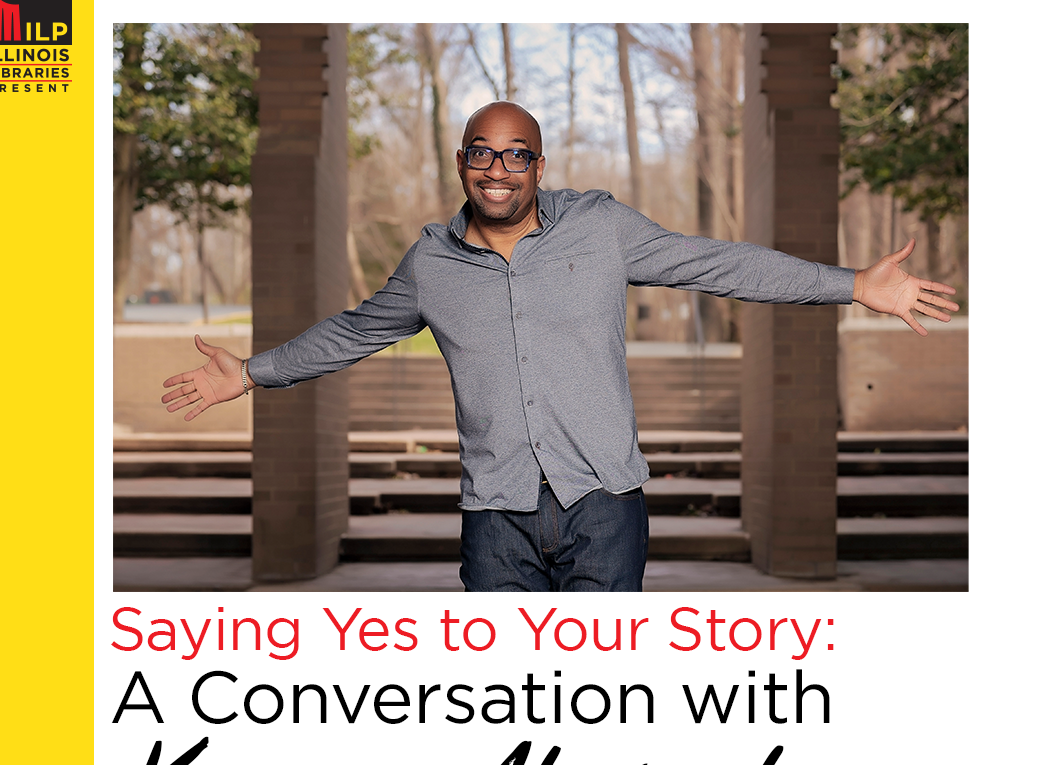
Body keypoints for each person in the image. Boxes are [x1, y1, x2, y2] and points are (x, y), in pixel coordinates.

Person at [163, 101, 957, 592]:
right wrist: (253, 374)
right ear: (464, 162)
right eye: (483, 151)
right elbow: (357, 328)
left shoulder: (602, 229)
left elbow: (717, 261)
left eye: (516, 153)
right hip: (494, 515)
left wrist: (852, 283)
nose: (498, 168)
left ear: (538, 166)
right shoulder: (430, 263)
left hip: (603, 506)